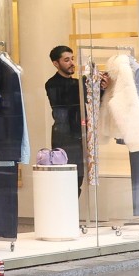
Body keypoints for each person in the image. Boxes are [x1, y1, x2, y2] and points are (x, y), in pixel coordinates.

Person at [44, 45, 106, 192]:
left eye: (72, 59)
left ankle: (69, 214)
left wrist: (100, 89)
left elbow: (88, 104)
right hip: (64, 138)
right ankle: (63, 214)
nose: (72, 63)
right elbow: (66, 103)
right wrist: (88, 83)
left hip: (79, 137)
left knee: (77, 180)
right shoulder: (52, 84)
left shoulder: (76, 83)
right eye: (67, 60)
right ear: (56, 63)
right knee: (66, 181)